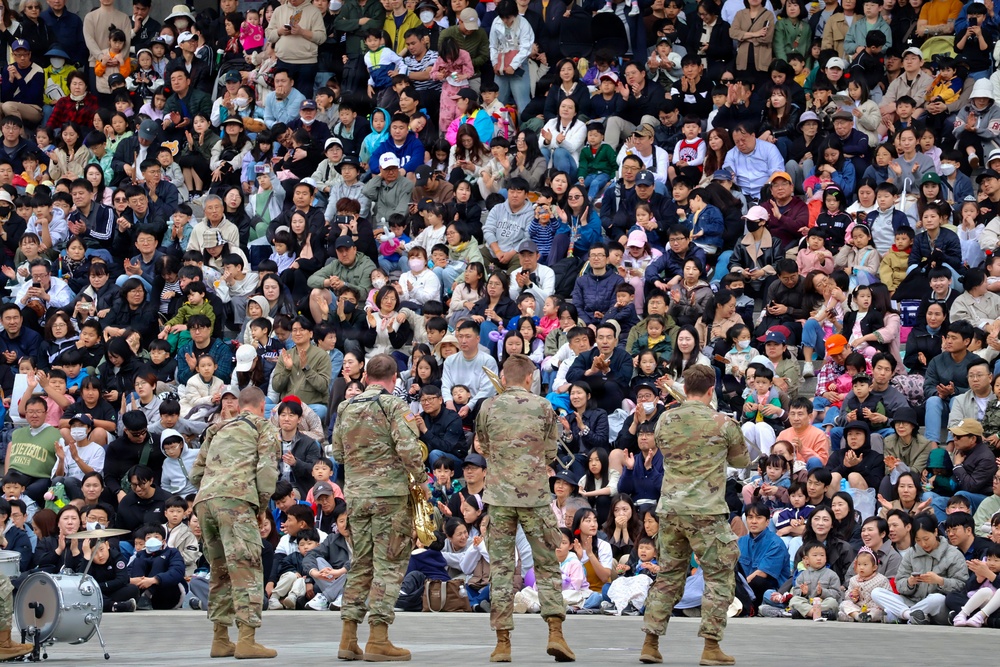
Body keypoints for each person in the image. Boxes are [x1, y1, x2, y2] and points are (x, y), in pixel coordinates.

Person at [640, 364, 748, 665]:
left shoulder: (665, 420)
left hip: (671, 509)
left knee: (668, 577)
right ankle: (711, 647)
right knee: (718, 576)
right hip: (706, 511)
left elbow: (662, 448)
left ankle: (651, 642)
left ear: (684, 388)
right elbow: (742, 460)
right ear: (711, 390)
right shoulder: (722, 423)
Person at [476, 353, 574, 661]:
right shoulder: (543, 406)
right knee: (546, 565)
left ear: (503, 378)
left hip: (499, 498)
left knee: (502, 570)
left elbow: (484, 446)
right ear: (530, 378)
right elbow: (549, 452)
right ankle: (556, 633)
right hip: (534, 497)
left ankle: (502, 642)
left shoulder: (488, 406)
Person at [331, 354, 426, 661]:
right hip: (389, 497)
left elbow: (338, 454)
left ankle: (347, 638)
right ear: (394, 378)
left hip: (357, 497)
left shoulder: (346, 407)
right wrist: (422, 480)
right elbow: (408, 447)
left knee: (361, 564)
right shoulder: (394, 405)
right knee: (389, 564)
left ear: (367, 375)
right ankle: (378, 638)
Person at [191, 386, 280, 660]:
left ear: (239, 405)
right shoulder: (264, 428)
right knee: (247, 569)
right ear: (262, 405)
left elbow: (196, 474)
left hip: (205, 502)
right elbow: (266, 472)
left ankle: (220, 639)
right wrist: (262, 507)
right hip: (237, 501)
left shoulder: (217, 429)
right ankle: (247, 640)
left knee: (220, 571)